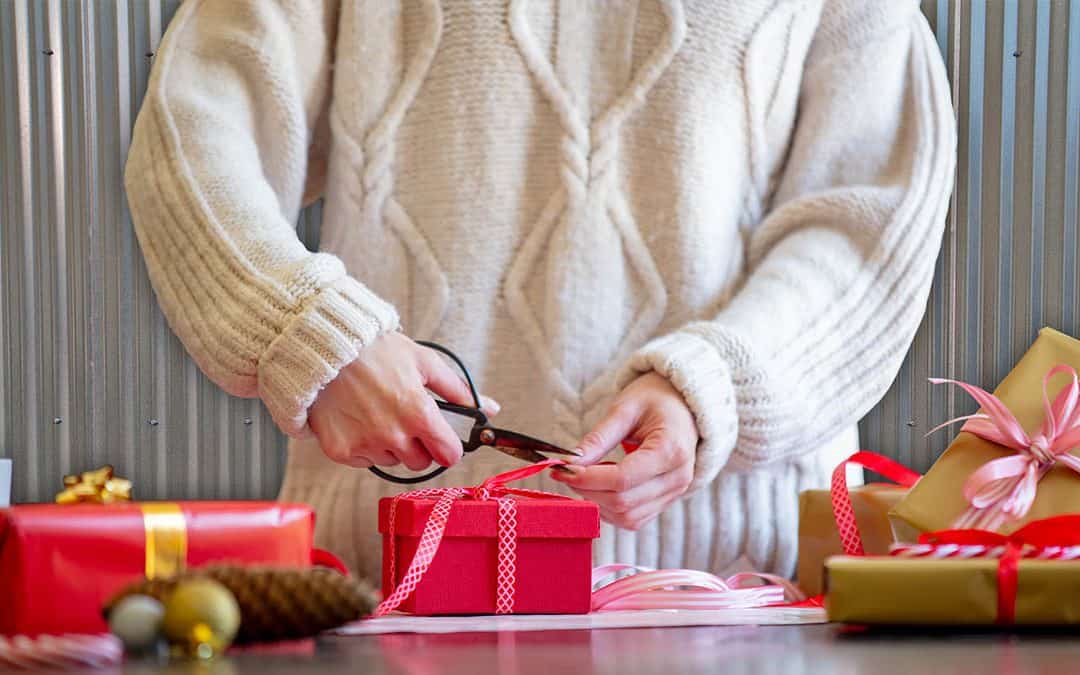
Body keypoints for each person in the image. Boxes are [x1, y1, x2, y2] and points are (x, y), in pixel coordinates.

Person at [125, 0, 956, 581]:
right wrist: (306, 330)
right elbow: (198, 127)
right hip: (402, 580)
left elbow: (868, 217)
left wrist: (715, 388)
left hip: (742, 590)